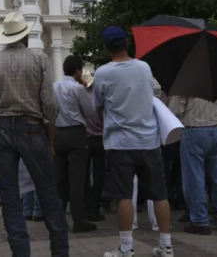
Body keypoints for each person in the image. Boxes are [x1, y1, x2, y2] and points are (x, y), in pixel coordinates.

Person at [0, 11, 69, 257]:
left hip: (0, 130)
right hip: (32, 128)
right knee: (48, 192)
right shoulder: (39, 59)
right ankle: (60, 252)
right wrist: (50, 141)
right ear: (26, 36)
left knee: (10, 199)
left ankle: (21, 253)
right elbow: (48, 104)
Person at [93, 26, 173, 257]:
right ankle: (166, 246)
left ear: (106, 47)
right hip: (148, 140)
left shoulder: (102, 73)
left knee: (125, 196)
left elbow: (98, 107)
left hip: (120, 143)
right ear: (127, 43)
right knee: (159, 194)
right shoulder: (144, 67)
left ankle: (126, 248)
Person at [168, 89, 217, 235]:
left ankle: (200, 221)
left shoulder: (185, 84)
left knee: (194, 179)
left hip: (193, 132)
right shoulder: (216, 81)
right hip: (216, 131)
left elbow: (175, 110)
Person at [53, 55, 97, 233]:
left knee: (59, 180)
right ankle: (80, 220)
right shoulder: (78, 89)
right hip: (76, 134)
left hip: (57, 134)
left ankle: (57, 219)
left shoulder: (53, 87)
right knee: (77, 180)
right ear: (78, 70)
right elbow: (89, 112)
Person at [81, 71, 106, 222]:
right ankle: (94, 208)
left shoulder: (81, 98)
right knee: (99, 176)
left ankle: (85, 206)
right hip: (99, 139)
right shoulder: (99, 100)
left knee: (83, 176)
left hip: (84, 139)